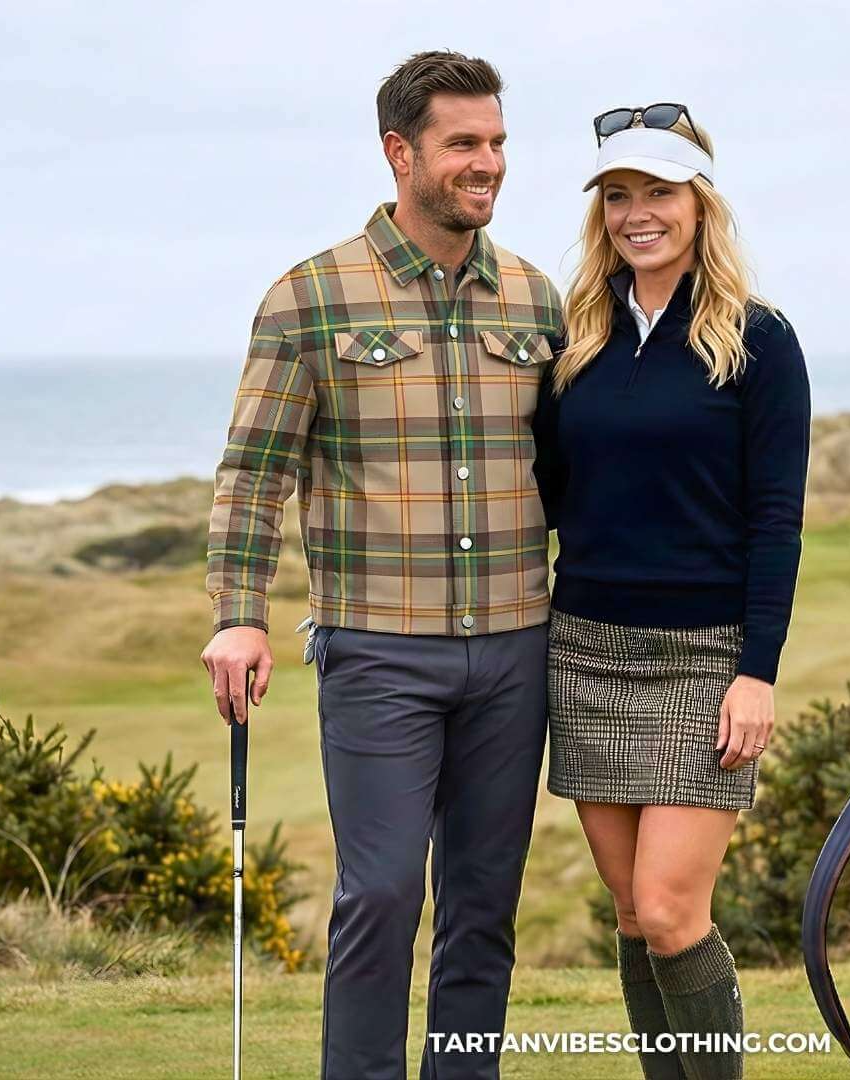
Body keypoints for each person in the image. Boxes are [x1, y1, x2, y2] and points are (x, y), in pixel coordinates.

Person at [197, 50, 562, 1080]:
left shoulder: (537, 301)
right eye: (463, 145)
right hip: (379, 657)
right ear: (400, 152)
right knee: (384, 893)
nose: (486, 163)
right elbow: (252, 474)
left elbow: (580, 470)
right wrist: (240, 612)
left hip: (514, 654)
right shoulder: (309, 298)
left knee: (484, 907)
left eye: (495, 143)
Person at [533, 104, 811, 1080]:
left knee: (669, 910)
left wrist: (757, 673)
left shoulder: (759, 341)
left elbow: (777, 519)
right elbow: (545, 496)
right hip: (587, 651)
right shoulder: (572, 340)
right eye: (619, 195)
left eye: (658, 192)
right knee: (630, 917)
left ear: (700, 204)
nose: (637, 213)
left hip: (704, 658)